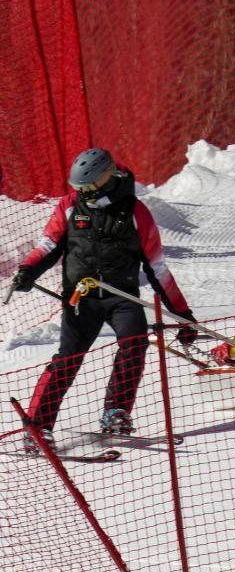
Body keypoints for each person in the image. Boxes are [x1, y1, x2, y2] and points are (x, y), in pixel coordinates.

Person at [10, 148, 197, 451]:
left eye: (87, 187)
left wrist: (182, 313)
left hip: (121, 296)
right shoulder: (70, 206)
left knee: (134, 342)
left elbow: (157, 268)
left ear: (106, 177)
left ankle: (116, 413)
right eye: (78, 188)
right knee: (68, 359)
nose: (83, 193)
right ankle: (38, 427)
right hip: (81, 297)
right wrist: (28, 269)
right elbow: (49, 244)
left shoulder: (136, 212)